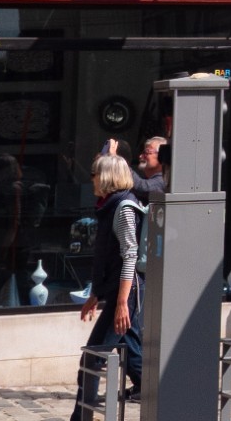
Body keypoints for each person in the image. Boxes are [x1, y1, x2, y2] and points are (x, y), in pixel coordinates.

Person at [76, 154, 144, 405]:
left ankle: (81, 416)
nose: (91, 179)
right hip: (118, 291)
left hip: (125, 292)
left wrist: (122, 303)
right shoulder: (108, 206)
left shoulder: (123, 208)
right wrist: (96, 294)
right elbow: (105, 256)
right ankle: (156, 392)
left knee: (93, 357)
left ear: (106, 177)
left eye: (94, 174)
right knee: (132, 350)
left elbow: (129, 256)